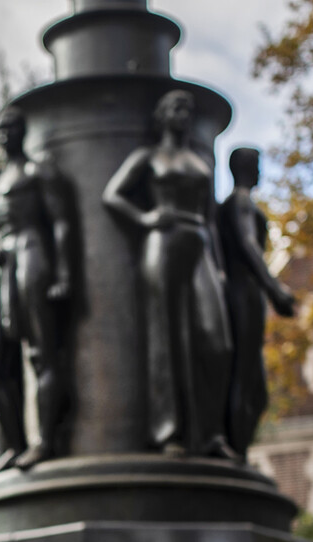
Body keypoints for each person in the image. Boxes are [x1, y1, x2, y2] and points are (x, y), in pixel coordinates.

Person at [102, 89, 234, 458]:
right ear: (161, 115)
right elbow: (113, 194)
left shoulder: (198, 160)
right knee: (166, 338)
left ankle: (210, 435)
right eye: (177, 107)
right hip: (163, 241)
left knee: (216, 341)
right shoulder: (148, 156)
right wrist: (144, 218)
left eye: (188, 108)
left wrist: (219, 268)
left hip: (199, 243)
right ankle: (169, 431)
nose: (184, 113)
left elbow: (210, 218)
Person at [0, 105, 74, 472]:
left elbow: (61, 223)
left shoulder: (37, 171)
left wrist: (63, 275)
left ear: (24, 131)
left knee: (43, 353)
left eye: (12, 127)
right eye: (0, 127)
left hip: (32, 257)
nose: (5, 133)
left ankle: (46, 441)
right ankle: (14, 446)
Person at [217, 147, 296, 458]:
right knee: (246, 376)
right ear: (247, 167)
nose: (262, 171)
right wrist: (275, 289)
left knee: (255, 384)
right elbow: (249, 245)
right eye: (258, 165)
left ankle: (239, 449)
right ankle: (237, 452)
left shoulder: (232, 204)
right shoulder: (240, 202)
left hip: (246, 292)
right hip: (244, 292)